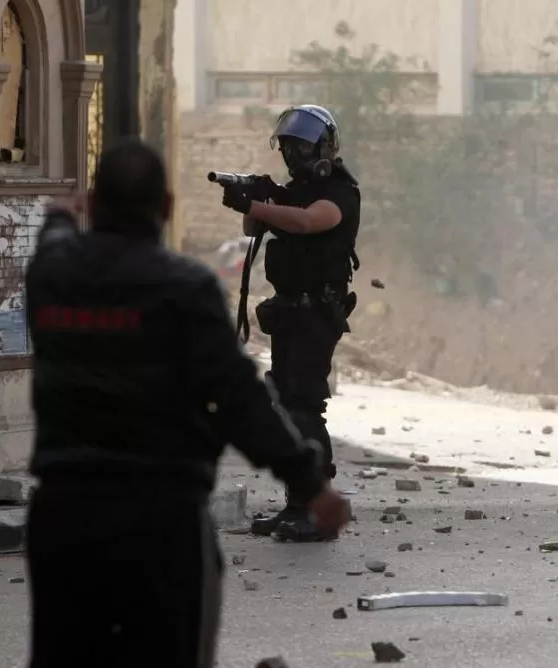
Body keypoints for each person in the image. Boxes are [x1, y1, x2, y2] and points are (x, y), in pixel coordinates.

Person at [23, 138, 351, 668]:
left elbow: (55, 234)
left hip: (65, 515)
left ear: (94, 204)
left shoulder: (52, 275)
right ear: (168, 208)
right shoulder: (185, 287)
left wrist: (64, 213)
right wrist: (313, 486)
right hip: (162, 519)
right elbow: (241, 399)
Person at [220, 105, 361, 542]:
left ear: (322, 148)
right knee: (284, 405)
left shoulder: (340, 193)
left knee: (304, 406)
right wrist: (252, 196)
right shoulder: (294, 190)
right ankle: (298, 504)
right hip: (289, 315)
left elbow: (306, 222)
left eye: (301, 147)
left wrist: (263, 204)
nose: (294, 157)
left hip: (316, 315)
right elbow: (251, 226)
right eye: (288, 148)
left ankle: (317, 507)